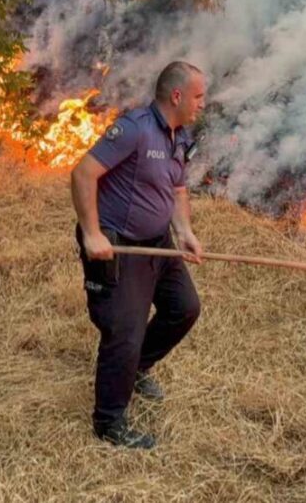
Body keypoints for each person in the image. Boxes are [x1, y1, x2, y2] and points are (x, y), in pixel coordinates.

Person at [70, 61, 206, 449]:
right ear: (176, 95)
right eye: (198, 96)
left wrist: (185, 231)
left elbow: (178, 189)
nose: (202, 104)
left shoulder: (179, 136)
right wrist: (92, 234)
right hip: (120, 245)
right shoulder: (134, 129)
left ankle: (139, 366)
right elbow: (83, 174)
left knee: (185, 308)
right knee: (124, 332)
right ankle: (109, 421)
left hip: (158, 243)